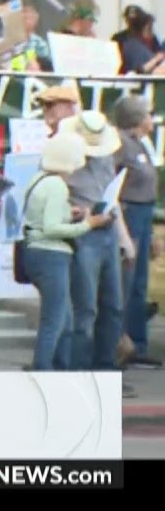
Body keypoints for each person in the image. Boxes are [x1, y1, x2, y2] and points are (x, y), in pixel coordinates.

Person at [21, 132, 109, 371]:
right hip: (51, 255)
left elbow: (41, 217)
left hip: (36, 252)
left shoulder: (39, 179)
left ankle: (60, 367)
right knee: (55, 320)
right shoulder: (57, 185)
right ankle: (44, 369)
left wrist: (70, 214)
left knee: (65, 320)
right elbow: (50, 228)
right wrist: (87, 225)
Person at [60, 111, 124, 373]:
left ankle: (104, 367)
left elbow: (113, 193)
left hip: (106, 227)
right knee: (85, 308)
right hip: (83, 231)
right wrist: (77, 211)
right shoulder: (64, 161)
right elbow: (53, 198)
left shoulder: (106, 157)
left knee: (113, 305)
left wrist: (121, 235)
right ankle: (80, 369)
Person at [113, 94, 162, 368]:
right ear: (136, 118)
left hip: (143, 213)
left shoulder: (141, 144)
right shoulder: (121, 145)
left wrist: (152, 233)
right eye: (147, 113)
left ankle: (138, 342)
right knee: (127, 280)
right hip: (129, 213)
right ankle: (122, 342)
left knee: (140, 280)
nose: (150, 118)